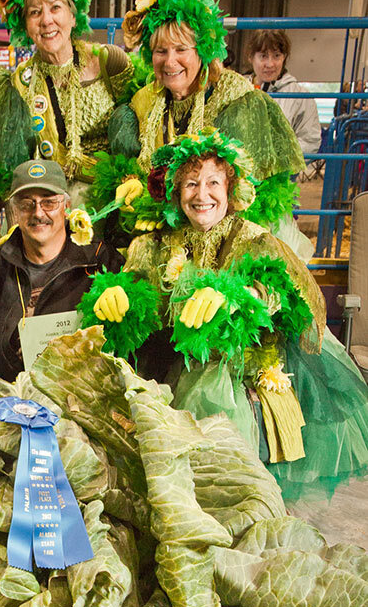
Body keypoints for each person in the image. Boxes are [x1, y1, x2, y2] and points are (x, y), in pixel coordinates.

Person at [98, 129, 368, 501]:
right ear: (177, 193)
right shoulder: (156, 242)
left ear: (230, 190)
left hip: (236, 367)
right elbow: (139, 289)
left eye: (213, 182)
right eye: (191, 183)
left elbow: (287, 293)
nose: (202, 194)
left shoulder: (254, 238)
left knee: (215, 421)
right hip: (165, 361)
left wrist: (240, 296)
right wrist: (121, 295)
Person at [106, 0, 312, 258]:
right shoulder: (143, 103)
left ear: (202, 51)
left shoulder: (237, 102)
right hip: (163, 230)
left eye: (181, 50)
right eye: (160, 51)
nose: (170, 62)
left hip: (224, 235)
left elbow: (249, 199)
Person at [0, 159, 123, 380]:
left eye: (49, 202)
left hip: (86, 398)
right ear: (14, 210)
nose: (38, 213)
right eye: (27, 204)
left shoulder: (100, 261)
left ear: (66, 207)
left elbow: (134, 332)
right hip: (12, 401)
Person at [0, 0, 133, 204]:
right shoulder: (20, 84)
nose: (46, 20)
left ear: (73, 15)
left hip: (110, 202)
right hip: (51, 203)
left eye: (56, 7)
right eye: (35, 12)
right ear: (24, 24)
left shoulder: (110, 61)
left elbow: (138, 127)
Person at [247, 29, 322, 163]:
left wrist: (278, 160)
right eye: (263, 56)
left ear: (284, 57)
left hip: (281, 178)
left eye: (276, 56)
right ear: (251, 57)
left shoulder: (300, 96)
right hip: (237, 176)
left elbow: (309, 141)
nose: (270, 64)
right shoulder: (234, 90)